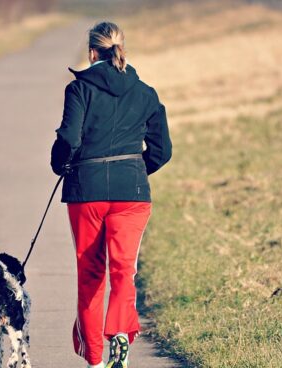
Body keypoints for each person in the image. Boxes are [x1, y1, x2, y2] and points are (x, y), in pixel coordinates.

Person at [50, 21, 172, 368]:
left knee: (90, 275)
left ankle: (95, 360)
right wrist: (132, 172)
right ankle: (119, 331)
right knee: (123, 271)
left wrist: (62, 165)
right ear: (122, 49)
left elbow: (69, 139)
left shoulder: (79, 90)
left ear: (92, 52)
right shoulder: (146, 92)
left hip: (86, 193)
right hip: (131, 192)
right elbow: (162, 151)